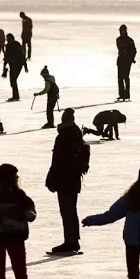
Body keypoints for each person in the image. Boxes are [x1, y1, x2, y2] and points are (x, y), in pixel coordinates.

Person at [44, 107, 88, 255]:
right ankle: (74, 241)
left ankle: (70, 242)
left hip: (64, 180)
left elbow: (57, 161)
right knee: (72, 210)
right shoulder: (77, 136)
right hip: (75, 180)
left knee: (66, 211)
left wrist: (50, 179)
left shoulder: (63, 137)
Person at [1, 33, 28, 101]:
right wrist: (4, 68)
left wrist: (25, 66)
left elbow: (22, 55)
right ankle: (15, 96)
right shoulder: (7, 46)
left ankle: (15, 96)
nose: (7, 40)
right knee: (12, 81)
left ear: (12, 38)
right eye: (6, 38)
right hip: (12, 65)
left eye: (8, 38)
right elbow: (6, 57)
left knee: (13, 80)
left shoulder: (17, 44)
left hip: (18, 65)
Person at [115, 24, 137, 101]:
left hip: (127, 61)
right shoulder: (118, 39)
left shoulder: (130, 40)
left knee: (125, 77)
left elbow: (134, 50)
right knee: (120, 78)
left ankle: (127, 95)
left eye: (122, 31)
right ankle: (121, 95)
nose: (121, 32)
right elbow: (121, 49)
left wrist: (131, 59)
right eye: (120, 31)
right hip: (120, 61)